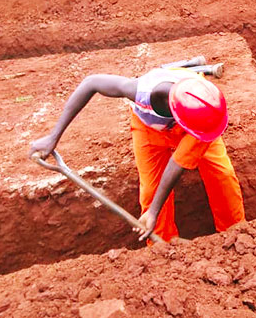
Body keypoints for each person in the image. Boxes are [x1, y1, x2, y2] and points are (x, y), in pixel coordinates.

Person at [28, 60, 244, 242]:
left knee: (222, 175)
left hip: (199, 125)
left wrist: (153, 211)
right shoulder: (141, 91)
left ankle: (236, 234)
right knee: (151, 192)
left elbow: (177, 163)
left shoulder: (205, 104)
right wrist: (53, 137)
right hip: (149, 130)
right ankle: (163, 251)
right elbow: (91, 82)